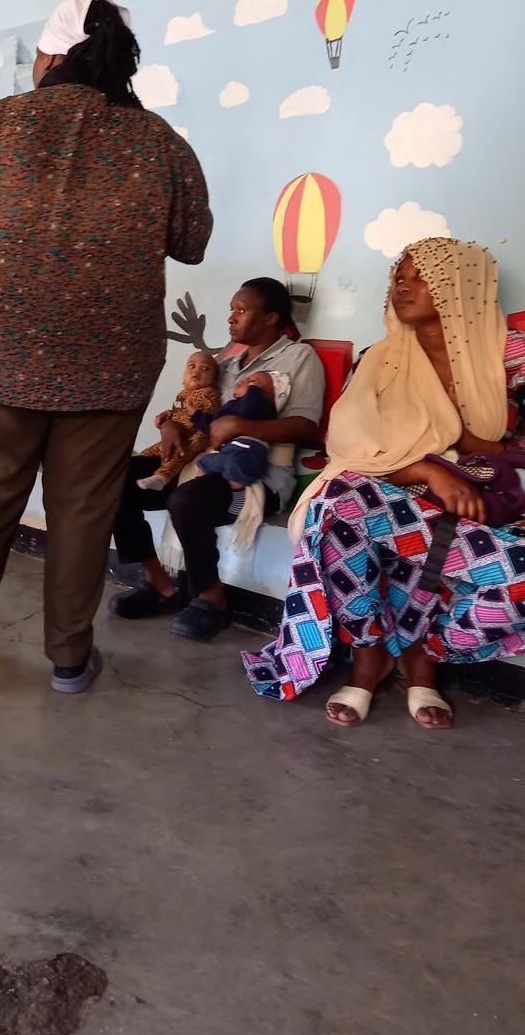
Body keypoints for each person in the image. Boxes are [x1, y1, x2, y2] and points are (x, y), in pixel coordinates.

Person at [0, 0, 212, 697]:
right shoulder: (157, 141)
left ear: (52, 57)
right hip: (108, 366)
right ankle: (69, 662)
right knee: (83, 511)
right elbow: (192, 241)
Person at [242, 238, 525, 730]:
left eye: (421, 277)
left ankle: (425, 650)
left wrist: (471, 447)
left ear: (461, 285)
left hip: (482, 501)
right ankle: (369, 650)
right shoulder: (380, 358)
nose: (402, 287)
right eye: (399, 277)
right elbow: (350, 447)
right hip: (391, 494)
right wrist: (427, 468)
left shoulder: (511, 356)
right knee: (335, 505)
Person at [109, 277, 325, 642]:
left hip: (255, 473)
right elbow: (193, 407)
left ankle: (211, 599)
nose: (231, 318)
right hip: (202, 460)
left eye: (242, 310)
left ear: (271, 317)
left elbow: (305, 426)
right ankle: (160, 585)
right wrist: (170, 427)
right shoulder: (227, 363)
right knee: (113, 481)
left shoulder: (300, 358)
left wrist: (242, 425)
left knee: (188, 500)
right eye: (231, 310)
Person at [135, 351, 221, 490]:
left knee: (181, 452)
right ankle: (145, 460)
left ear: (214, 379)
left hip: (195, 435)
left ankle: (162, 478)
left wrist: (196, 414)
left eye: (205, 368)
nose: (196, 371)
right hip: (176, 432)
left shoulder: (209, 393)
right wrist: (164, 417)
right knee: (153, 450)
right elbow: (175, 411)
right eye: (191, 366)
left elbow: (209, 418)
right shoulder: (183, 393)